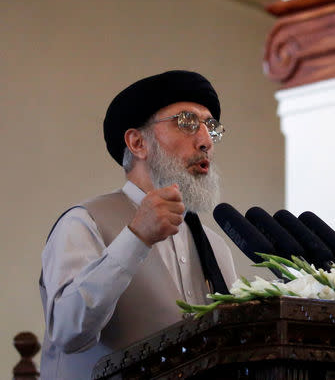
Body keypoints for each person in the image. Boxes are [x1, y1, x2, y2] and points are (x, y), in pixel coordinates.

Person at [39, 70, 237, 379]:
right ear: (137, 143)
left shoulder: (215, 247)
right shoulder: (84, 222)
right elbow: (68, 333)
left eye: (210, 127)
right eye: (186, 122)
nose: (205, 141)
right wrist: (136, 239)